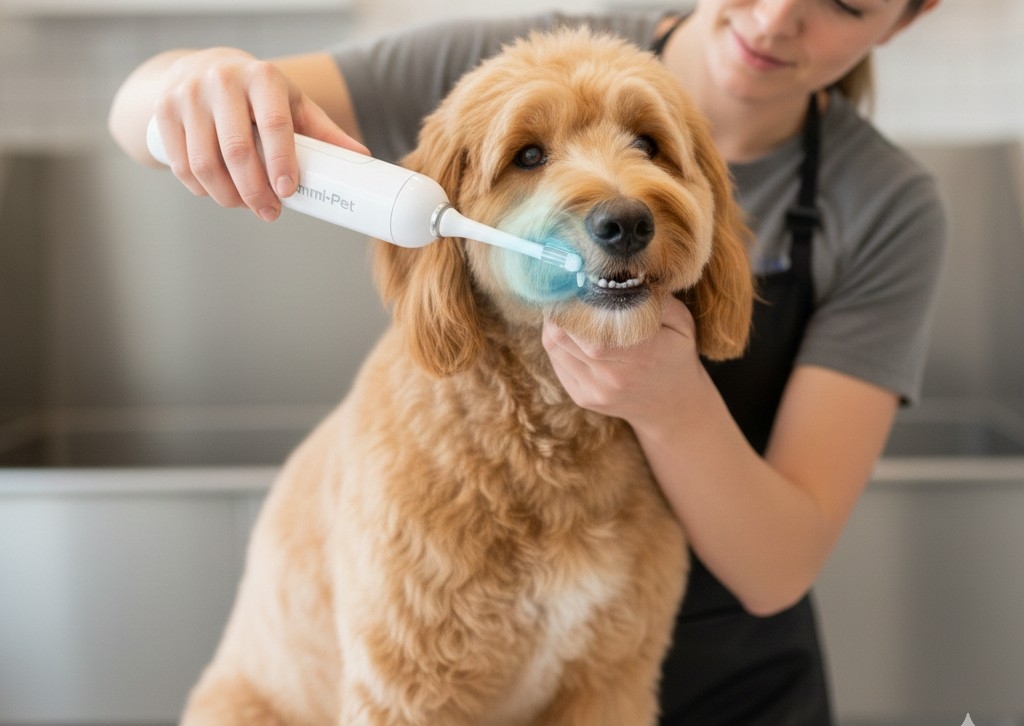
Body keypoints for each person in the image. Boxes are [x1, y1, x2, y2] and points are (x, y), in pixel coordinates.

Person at [108, 2, 946, 723]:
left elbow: (779, 570)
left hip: (743, 680)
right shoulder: (492, 66)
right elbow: (137, 117)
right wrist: (201, 79)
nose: (774, 17)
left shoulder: (888, 206)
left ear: (912, 17)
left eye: (842, 2)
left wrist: (671, 404)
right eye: (531, 157)